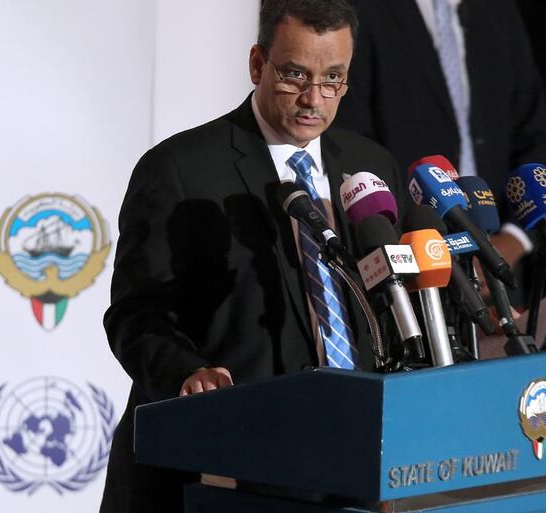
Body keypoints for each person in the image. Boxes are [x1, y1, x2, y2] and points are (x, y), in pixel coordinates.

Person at [100, 1, 406, 512]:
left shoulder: (371, 168)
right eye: (295, 75)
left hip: (348, 466)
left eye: (334, 78)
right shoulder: (180, 169)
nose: (315, 98)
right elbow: (136, 314)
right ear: (257, 65)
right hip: (216, 471)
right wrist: (188, 373)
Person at [334, 0, 546, 273]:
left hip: (501, 265)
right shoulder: (362, 10)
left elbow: (533, 136)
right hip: (414, 263)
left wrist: (516, 238)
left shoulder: (498, 9)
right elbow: (354, 148)